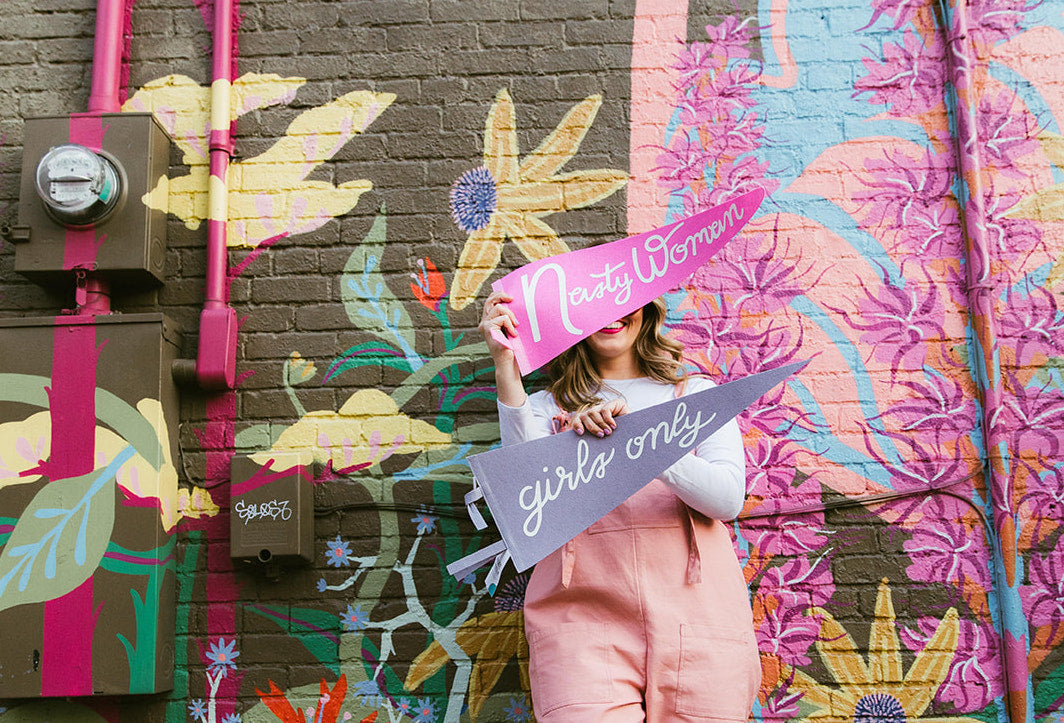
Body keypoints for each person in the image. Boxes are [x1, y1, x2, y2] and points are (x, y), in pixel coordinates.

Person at [479, 291, 761, 722]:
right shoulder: (544, 408)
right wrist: (505, 363)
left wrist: (641, 440)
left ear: (647, 310)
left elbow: (725, 500)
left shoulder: (696, 394)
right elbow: (523, 500)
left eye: (623, 300)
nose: (609, 315)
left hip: (700, 614)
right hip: (579, 619)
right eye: (592, 305)